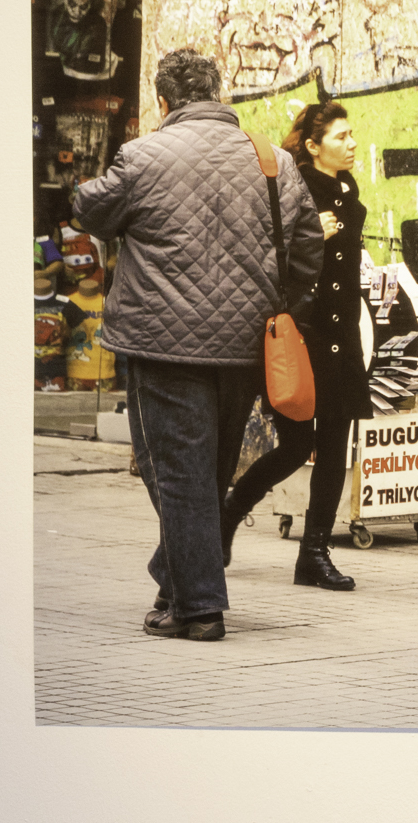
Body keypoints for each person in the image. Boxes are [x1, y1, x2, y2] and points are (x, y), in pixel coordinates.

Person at [73, 48, 323, 640]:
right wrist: (279, 308)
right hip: (242, 349)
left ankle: (201, 606)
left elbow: (88, 207)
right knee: (207, 473)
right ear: (220, 93)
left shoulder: (143, 156)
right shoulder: (272, 162)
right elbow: (310, 248)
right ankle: (174, 585)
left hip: (164, 346)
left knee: (176, 476)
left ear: (162, 102)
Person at [219, 101, 371, 593]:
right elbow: (264, 254)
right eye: (341, 137)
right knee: (296, 445)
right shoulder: (293, 188)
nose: (351, 144)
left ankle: (315, 553)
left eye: (351, 135)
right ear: (313, 145)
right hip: (303, 339)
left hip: (341, 338)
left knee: (333, 447)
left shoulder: (347, 189)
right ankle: (230, 513)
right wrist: (309, 238)